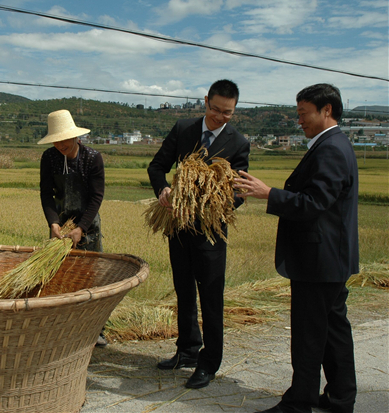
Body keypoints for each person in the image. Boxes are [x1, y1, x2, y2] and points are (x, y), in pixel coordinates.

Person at [234, 83, 358, 413]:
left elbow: (315, 202)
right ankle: (340, 398)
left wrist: (268, 193)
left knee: (309, 335)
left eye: (303, 113)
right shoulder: (334, 144)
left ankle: (299, 403)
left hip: (319, 260)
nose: (298, 120)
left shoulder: (330, 148)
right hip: (332, 257)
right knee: (333, 330)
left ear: (326, 110)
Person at [147, 79, 250, 389]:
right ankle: (188, 350)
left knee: (211, 297)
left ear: (235, 110)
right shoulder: (184, 128)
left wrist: (211, 206)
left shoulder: (238, 143)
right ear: (206, 102)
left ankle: (209, 362)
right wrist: (164, 189)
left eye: (228, 113)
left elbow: (240, 191)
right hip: (177, 226)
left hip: (210, 233)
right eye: (216, 110)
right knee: (184, 290)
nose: (220, 117)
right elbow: (156, 167)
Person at [38, 109, 107, 346]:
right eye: (56, 141)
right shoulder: (49, 158)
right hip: (60, 224)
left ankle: (95, 329)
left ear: (76, 137)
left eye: (64, 140)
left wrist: (82, 227)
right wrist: (53, 223)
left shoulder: (92, 158)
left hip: (88, 225)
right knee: (58, 277)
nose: (60, 145)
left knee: (90, 276)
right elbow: (46, 194)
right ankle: (63, 328)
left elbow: (97, 197)